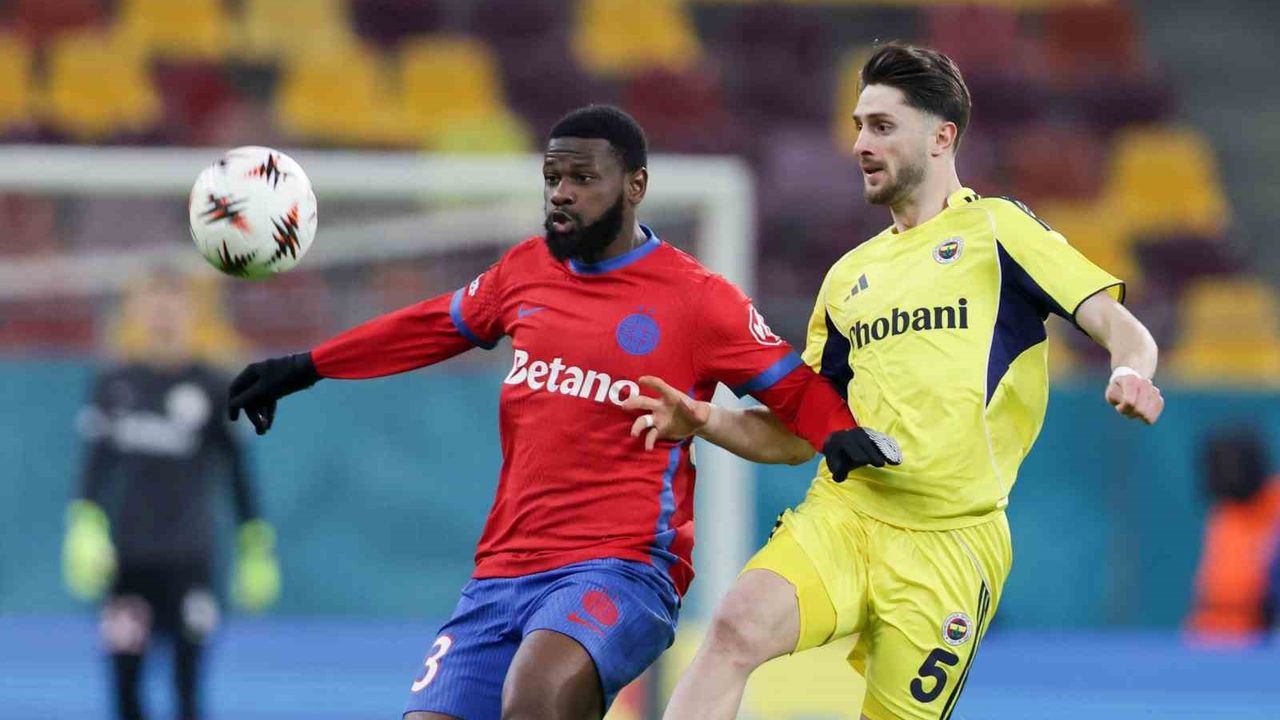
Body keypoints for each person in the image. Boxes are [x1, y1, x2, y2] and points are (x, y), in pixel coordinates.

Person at [224, 104, 899, 720]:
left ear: (634, 185)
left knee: (538, 697)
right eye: (552, 178)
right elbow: (429, 325)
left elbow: (790, 386)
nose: (561, 193)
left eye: (582, 178)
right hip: (501, 572)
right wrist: (306, 366)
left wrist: (838, 432)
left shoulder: (698, 298)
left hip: (624, 567)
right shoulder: (525, 271)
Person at [624, 44, 1166, 720]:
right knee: (734, 630)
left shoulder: (997, 230)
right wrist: (703, 419)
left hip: (952, 545)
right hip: (848, 515)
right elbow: (800, 435)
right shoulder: (848, 277)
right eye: (859, 126)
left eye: (882, 126)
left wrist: (1129, 371)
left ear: (941, 138)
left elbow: (1120, 325)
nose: (860, 144)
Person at [62, 272, 280, 720]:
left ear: (192, 314)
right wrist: (83, 525)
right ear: (137, 314)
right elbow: (94, 466)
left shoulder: (215, 387)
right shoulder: (114, 384)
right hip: (128, 562)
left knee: (187, 687)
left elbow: (237, 473)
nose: (163, 317)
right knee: (125, 687)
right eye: (154, 307)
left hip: (190, 561)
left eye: (173, 307)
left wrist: (254, 544)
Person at [1186, 429, 1280, 641]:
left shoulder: (1275, 503)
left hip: (1259, 637)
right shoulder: (1223, 512)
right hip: (1209, 633)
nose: (1230, 473)